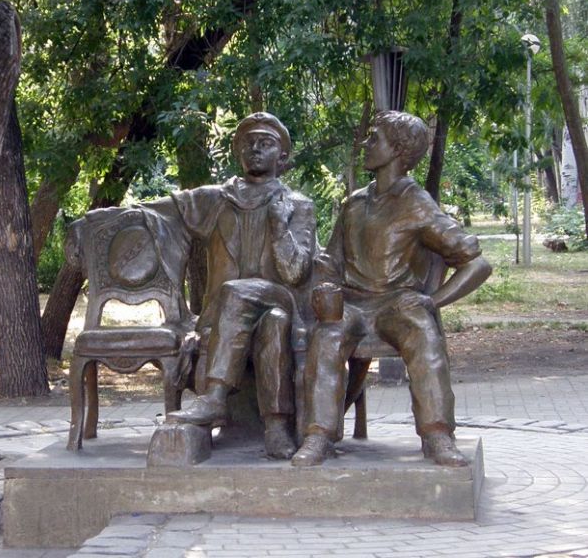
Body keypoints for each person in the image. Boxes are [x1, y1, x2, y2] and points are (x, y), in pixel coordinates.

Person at [291, 110, 491, 467]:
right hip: (351, 303)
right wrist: (324, 285)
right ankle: (319, 435)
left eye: (375, 138)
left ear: (399, 150)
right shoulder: (353, 203)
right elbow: (330, 260)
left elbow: (477, 264)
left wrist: (432, 301)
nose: (367, 144)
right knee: (326, 338)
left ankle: (437, 435)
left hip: (397, 305)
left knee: (422, 333)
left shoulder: (416, 204)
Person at [165, 112, 316, 459]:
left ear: (283, 156)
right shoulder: (217, 199)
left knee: (242, 293)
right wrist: (97, 223)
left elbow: (296, 273)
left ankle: (215, 397)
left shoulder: (298, 206)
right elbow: (163, 210)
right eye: (248, 143)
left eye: (266, 143)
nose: (255, 149)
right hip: (239, 314)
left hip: (283, 295)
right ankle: (276, 427)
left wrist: (279, 228)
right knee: (272, 322)